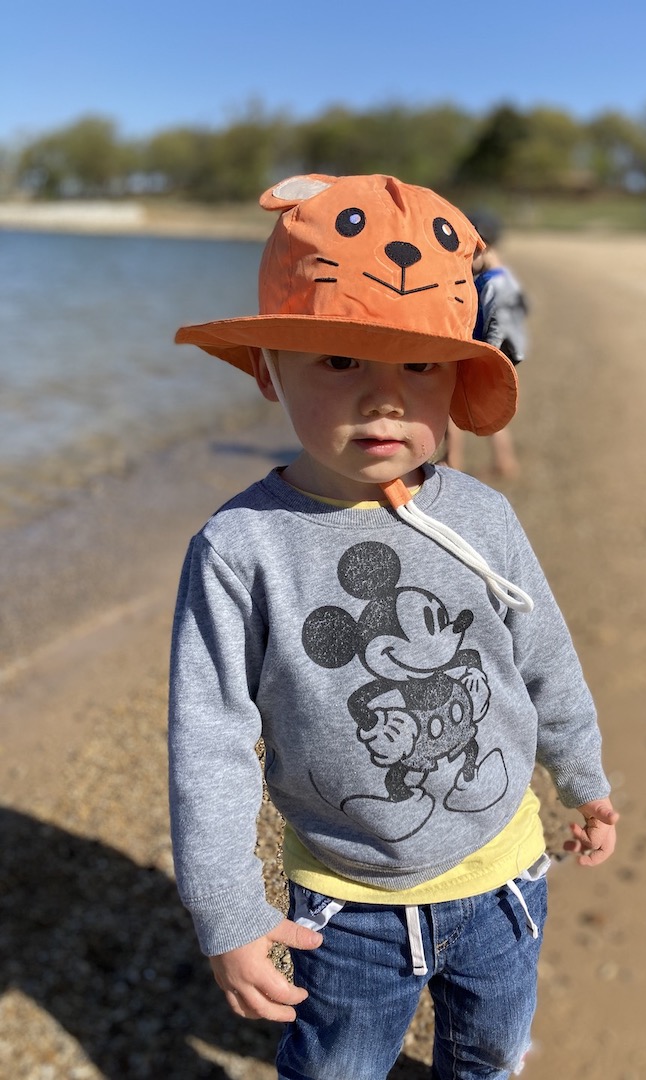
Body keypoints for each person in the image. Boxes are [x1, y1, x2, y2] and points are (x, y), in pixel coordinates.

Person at [169, 173, 618, 1080]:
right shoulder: (240, 548)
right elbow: (210, 739)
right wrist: (228, 910)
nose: (386, 398)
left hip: (506, 876)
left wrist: (584, 776)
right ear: (269, 367)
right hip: (347, 900)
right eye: (341, 362)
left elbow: (543, 659)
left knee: (488, 1054)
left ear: (458, 376)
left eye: (419, 366)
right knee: (338, 1065)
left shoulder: (484, 519)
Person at [443, 209, 529, 480]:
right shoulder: (498, 278)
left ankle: (452, 460)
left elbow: (497, 324)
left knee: (451, 406)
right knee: (484, 408)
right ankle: (504, 461)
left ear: (483, 246)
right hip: (490, 354)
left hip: (484, 353)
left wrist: (487, 355)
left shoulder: (495, 282)